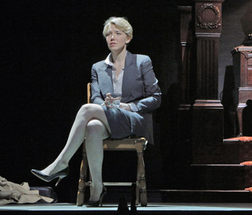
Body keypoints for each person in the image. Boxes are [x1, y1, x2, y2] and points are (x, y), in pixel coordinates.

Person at [31, 17, 162, 206]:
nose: (112, 37)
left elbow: (156, 97)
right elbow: (96, 99)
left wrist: (130, 106)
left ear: (128, 38)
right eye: (108, 34)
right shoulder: (98, 67)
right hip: (109, 118)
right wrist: (106, 104)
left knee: (86, 110)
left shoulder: (142, 61)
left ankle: (61, 163)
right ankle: (97, 188)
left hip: (134, 119)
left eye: (118, 33)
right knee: (92, 126)